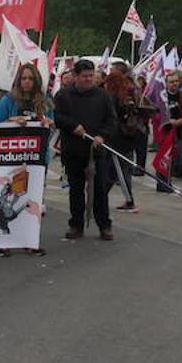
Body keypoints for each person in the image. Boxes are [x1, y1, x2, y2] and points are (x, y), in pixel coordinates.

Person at [52, 59, 118, 241]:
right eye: (84, 76)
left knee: (99, 190)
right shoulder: (63, 96)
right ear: (75, 76)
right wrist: (73, 126)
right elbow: (57, 117)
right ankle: (76, 224)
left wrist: (102, 136)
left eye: (91, 76)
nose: (89, 79)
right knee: (76, 190)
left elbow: (112, 120)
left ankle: (104, 225)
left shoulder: (103, 96)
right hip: (73, 150)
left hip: (97, 151)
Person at [0, 64, 53, 257]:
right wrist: (11, 121)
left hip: (36, 159)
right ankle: (5, 240)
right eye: (24, 78)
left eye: (30, 78)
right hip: (12, 159)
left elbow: (52, 124)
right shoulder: (8, 100)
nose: (27, 82)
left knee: (32, 201)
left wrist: (48, 123)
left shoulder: (44, 101)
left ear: (36, 81)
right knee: (10, 199)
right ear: (18, 80)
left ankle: (30, 239)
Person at [103, 71, 154, 213]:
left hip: (118, 136)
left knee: (114, 170)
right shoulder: (132, 94)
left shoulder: (114, 97)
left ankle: (106, 198)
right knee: (123, 168)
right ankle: (128, 199)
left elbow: (112, 116)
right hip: (130, 134)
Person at [154, 71, 182, 193]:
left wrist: (180, 120)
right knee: (163, 157)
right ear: (166, 83)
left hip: (178, 131)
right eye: (171, 82)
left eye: (176, 81)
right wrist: (165, 120)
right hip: (164, 132)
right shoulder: (161, 96)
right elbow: (155, 112)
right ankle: (161, 184)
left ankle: (168, 181)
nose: (174, 84)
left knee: (175, 157)